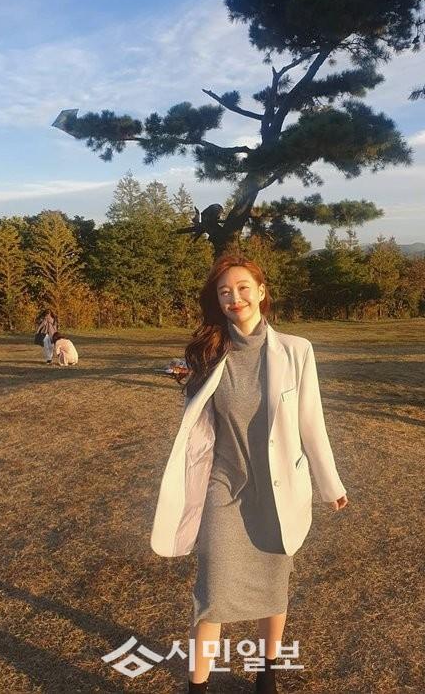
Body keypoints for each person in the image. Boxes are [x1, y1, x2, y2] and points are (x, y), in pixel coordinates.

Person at [150, 255, 349, 694]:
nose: (234, 298)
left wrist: (329, 483)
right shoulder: (208, 353)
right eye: (224, 292)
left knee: (273, 590)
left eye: (242, 288)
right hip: (224, 486)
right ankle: (197, 687)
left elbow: (311, 422)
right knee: (212, 594)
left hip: (277, 490)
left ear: (261, 292)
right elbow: (198, 425)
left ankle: (266, 675)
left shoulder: (296, 350)